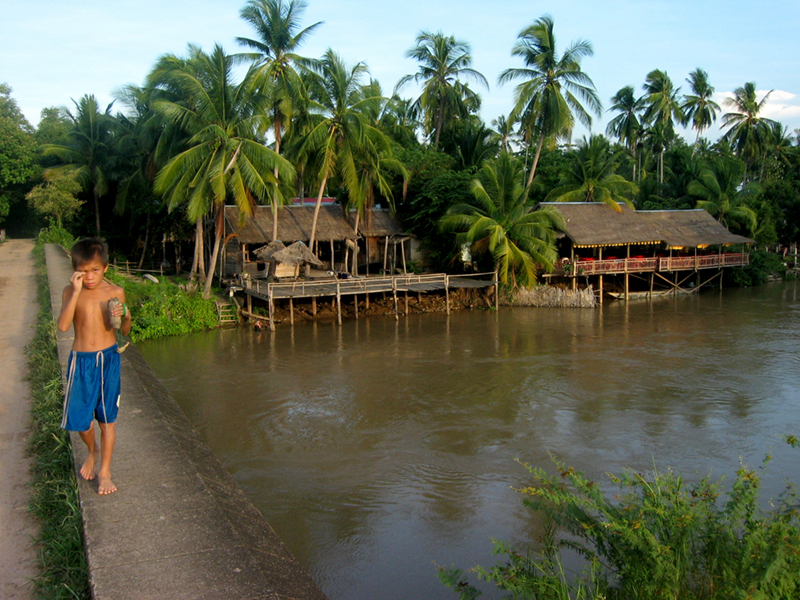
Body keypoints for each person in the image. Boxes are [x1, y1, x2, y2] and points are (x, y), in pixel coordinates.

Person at [57, 238, 131, 495]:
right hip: (82, 361)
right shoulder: (70, 292)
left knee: (107, 421)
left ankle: (105, 471)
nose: (89, 277)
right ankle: (92, 450)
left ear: (106, 268)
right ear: (75, 269)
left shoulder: (116, 292)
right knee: (80, 422)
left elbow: (124, 330)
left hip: (108, 359)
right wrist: (76, 292)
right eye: (83, 271)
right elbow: (63, 326)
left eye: (95, 270)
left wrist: (126, 315)